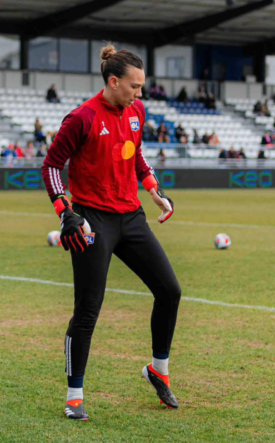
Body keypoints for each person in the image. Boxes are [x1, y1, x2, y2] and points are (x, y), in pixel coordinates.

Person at [40, 44, 181, 421]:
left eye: (142, 87)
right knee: (88, 310)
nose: (140, 93)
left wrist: (153, 189)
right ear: (114, 81)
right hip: (92, 221)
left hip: (131, 218)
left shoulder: (136, 111)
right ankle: (74, 397)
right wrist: (64, 211)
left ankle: (158, 371)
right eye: (135, 86)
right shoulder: (81, 118)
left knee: (170, 291)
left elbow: (134, 154)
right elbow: (52, 166)